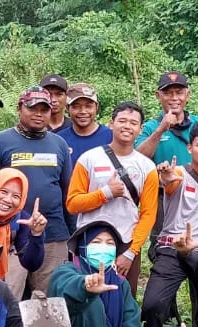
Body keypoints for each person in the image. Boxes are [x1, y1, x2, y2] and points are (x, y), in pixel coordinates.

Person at [0, 88, 72, 296]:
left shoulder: (59, 144)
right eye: (32, 108)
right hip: (9, 235)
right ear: (19, 108)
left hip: (53, 234)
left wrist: (71, 234)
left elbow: (68, 192)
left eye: (44, 109)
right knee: (7, 296)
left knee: (49, 299)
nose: (39, 114)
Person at [141, 121, 198, 327]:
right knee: (152, 305)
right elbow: (171, 183)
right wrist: (168, 178)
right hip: (172, 247)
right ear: (190, 148)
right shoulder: (178, 173)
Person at [67, 102, 159, 294]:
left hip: (126, 241)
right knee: (84, 296)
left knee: (123, 297)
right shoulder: (89, 159)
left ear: (141, 129)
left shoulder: (147, 167)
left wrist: (131, 252)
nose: (127, 126)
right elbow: (72, 204)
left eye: (133, 123)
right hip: (89, 240)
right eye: (122, 121)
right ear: (111, 123)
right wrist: (105, 193)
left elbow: (148, 214)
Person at [136, 71, 198, 166]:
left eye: (179, 93)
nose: (174, 98)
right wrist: (160, 131)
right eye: (167, 93)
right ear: (158, 96)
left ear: (187, 95)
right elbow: (137, 160)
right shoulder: (148, 128)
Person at [60, 83, 112, 160]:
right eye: (76, 107)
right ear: (67, 108)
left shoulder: (111, 137)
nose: (83, 111)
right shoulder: (60, 140)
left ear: (96, 107)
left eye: (88, 106)